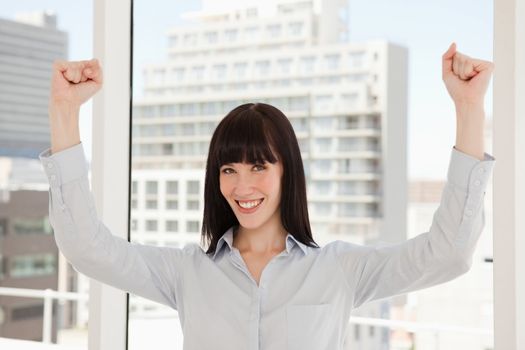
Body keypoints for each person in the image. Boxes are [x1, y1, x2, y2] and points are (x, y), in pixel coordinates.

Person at [39, 42, 495, 349]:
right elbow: (86, 248)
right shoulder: (186, 273)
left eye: (259, 166)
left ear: (286, 172)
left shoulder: (338, 269)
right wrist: (64, 112)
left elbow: (449, 254)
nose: (243, 186)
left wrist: (468, 108)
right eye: (229, 169)